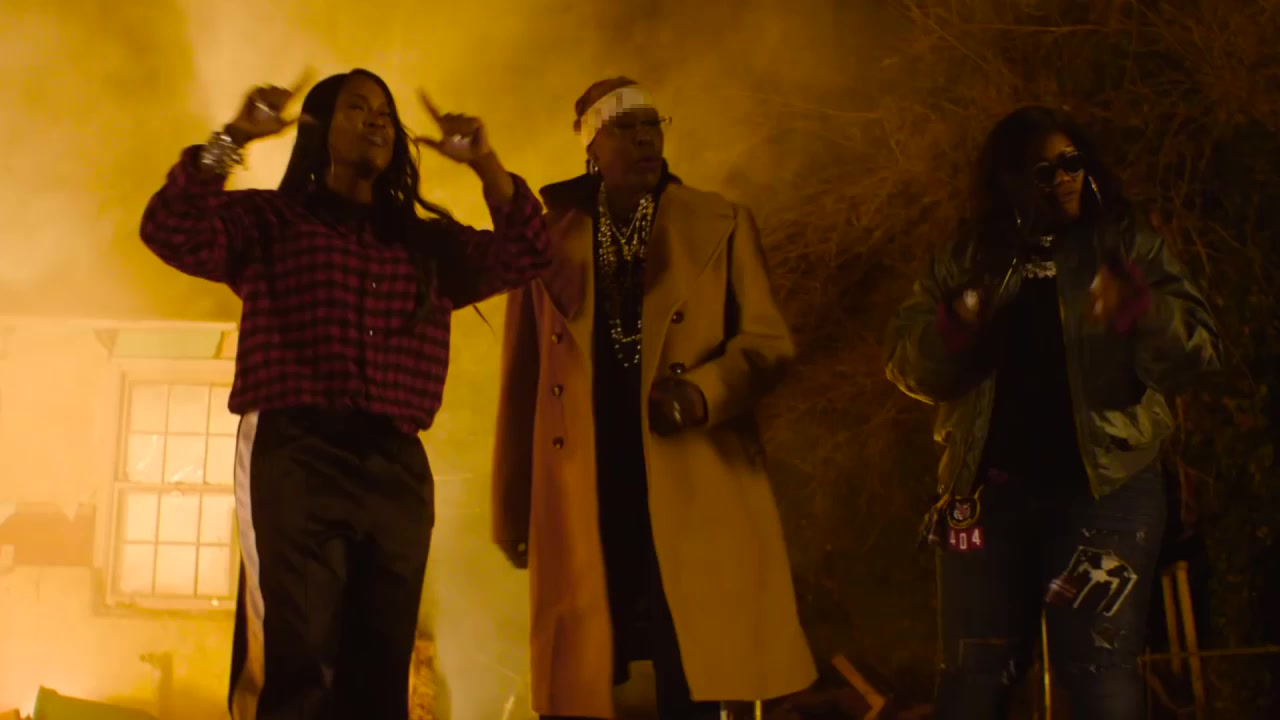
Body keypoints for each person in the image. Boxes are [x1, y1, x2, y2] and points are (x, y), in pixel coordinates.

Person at [139, 68, 549, 720]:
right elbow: (169, 227)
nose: (377, 120)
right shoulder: (272, 220)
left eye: (384, 111)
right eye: (358, 108)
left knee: (380, 670)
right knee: (299, 660)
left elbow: (529, 250)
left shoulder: (425, 244)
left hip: (395, 465)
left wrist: (485, 162)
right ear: (320, 130)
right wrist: (235, 135)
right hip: (297, 450)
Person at [490, 77, 817, 720]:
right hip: (588, 477)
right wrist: (511, 509)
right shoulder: (546, 240)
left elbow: (768, 343)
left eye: (652, 124)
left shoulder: (720, 221)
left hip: (687, 471)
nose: (645, 138)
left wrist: (700, 393)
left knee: (690, 663)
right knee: (590, 672)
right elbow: (522, 378)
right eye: (626, 127)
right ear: (591, 144)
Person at [884, 105, 1220, 719]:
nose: (1063, 178)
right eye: (1044, 170)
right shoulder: (967, 258)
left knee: (1098, 669)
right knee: (972, 674)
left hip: (1107, 495)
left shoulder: (1125, 245)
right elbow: (910, 370)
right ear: (1008, 180)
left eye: (1072, 162)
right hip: (986, 500)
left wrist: (1142, 311)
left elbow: (1196, 355)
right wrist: (956, 323)